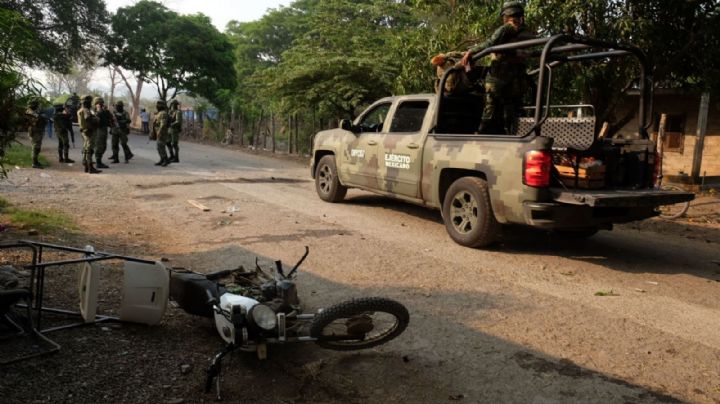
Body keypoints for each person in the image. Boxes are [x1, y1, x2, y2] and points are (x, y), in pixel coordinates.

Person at [460, 1, 535, 134]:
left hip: (499, 75)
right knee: (510, 105)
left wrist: (472, 51)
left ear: (506, 16)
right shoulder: (527, 31)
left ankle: (481, 131)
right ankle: (509, 132)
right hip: (517, 78)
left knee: (490, 103)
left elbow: (490, 43)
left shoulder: (507, 28)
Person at [77, 95, 101, 173]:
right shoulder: (86, 110)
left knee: (86, 148)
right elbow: (89, 119)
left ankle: (86, 165)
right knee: (89, 149)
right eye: (90, 101)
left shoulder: (81, 110)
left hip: (84, 131)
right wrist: (96, 118)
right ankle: (90, 167)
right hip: (89, 131)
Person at [25, 99, 47, 169]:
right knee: (36, 147)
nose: (38, 107)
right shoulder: (30, 112)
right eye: (37, 105)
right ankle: (34, 163)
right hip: (35, 131)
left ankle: (36, 161)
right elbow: (38, 118)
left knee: (37, 147)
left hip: (37, 131)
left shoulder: (32, 111)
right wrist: (42, 116)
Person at [93, 97, 112, 169]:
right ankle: (98, 162)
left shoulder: (104, 111)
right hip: (98, 131)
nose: (99, 105)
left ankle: (99, 161)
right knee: (99, 146)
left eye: (100, 103)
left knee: (103, 146)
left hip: (104, 130)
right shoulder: (95, 112)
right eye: (98, 104)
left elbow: (110, 119)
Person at [151, 100, 171, 167]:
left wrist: (159, 132)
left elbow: (163, 124)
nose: (157, 106)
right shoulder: (159, 113)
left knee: (161, 146)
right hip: (158, 132)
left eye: (158, 105)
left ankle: (165, 160)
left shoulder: (163, 113)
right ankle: (162, 159)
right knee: (159, 147)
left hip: (162, 133)